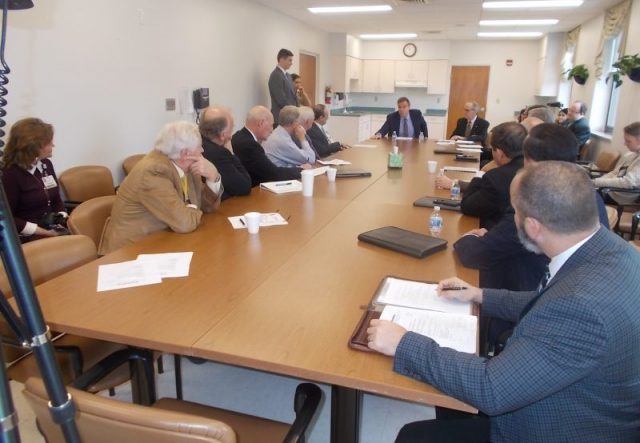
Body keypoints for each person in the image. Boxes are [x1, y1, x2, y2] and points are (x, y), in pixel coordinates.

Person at [368, 161, 640, 443]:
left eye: (515, 213)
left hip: (556, 426)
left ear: (532, 226)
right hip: (579, 397)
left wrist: (404, 343)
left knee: (414, 436)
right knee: (448, 392)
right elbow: (548, 302)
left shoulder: (581, 307)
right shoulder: (613, 251)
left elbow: (492, 389)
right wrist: (480, 295)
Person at [100, 121, 222, 255]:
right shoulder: (153, 172)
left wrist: (213, 176)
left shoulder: (186, 164)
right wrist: (190, 209)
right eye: (200, 146)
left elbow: (207, 207)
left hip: (164, 241)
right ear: (185, 153)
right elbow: (185, 223)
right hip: (129, 252)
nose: (202, 150)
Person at [1, 118, 68, 242]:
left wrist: (61, 217)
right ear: (34, 148)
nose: (53, 145)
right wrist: (45, 232)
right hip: (26, 236)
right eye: (49, 143)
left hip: (51, 229)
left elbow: (56, 199)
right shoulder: (9, 174)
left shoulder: (46, 164)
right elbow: (8, 218)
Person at [459, 122, 526, 230]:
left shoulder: (496, 177)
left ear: (499, 153)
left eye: (492, 149)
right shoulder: (536, 169)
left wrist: (481, 172)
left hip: (497, 232)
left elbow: (467, 206)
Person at [231, 106, 303, 186]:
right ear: (261, 123)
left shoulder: (238, 136)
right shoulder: (249, 145)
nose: (272, 130)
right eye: (271, 125)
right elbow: (273, 174)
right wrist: (301, 170)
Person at [199, 106, 251, 199]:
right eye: (231, 129)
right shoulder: (219, 154)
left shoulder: (198, 144)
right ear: (222, 135)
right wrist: (231, 153)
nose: (231, 135)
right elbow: (244, 186)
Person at [592, 121, 640, 204]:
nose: (625, 144)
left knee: (581, 196)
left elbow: (628, 182)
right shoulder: (630, 155)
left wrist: (596, 182)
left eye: (628, 141)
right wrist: (598, 181)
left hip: (620, 197)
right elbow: (615, 172)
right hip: (609, 190)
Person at [268, 48, 298, 124]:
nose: (291, 63)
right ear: (281, 59)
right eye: (289, 60)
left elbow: (293, 96)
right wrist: (293, 111)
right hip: (281, 117)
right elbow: (281, 99)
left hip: (291, 116)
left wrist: (298, 110)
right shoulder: (276, 75)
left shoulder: (288, 75)